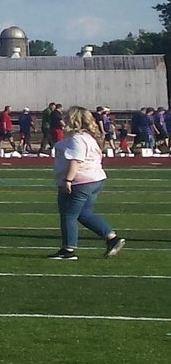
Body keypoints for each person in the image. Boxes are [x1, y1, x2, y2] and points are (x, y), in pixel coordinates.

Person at [49, 107, 126, 260]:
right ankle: (112, 238)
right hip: (94, 179)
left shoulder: (77, 138)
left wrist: (68, 180)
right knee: (84, 214)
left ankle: (68, 250)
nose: (62, 119)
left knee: (68, 215)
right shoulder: (88, 137)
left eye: (66, 117)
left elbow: (76, 160)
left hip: (81, 181)